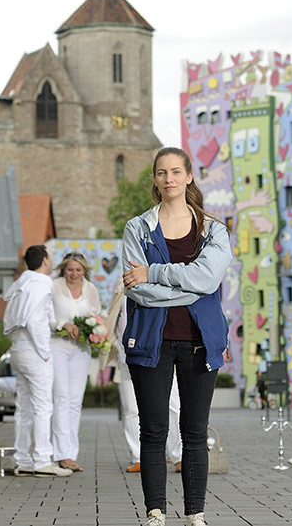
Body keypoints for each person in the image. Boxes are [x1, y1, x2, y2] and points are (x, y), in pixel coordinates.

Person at [122, 147, 233, 526]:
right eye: (161, 173)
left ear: (188, 176)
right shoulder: (137, 228)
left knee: (194, 432)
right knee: (153, 431)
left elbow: (208, 279)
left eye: (175, 172)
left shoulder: (213, 229)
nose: (168, 179)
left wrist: (153, 273)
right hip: (151, 339)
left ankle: (194, 514)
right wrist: (191, 284)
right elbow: (136, 291)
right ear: (154, 179)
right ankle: (155, 513)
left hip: (199, 340)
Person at [3, 245, 73, 478]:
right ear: (44, 260)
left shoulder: (21, 283)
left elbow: (39, 318)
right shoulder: (42, 283)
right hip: (34, 351)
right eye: (50, 256)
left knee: (23, 407)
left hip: (17, 348)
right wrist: (44, 352)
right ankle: (43, 460)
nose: (51, 260)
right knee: (43, 406)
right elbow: (34, 320)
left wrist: (59, 325)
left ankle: (22, 459)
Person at [105, 280, 183, 474]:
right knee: (131, 408)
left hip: (160, 355)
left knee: (173, 405)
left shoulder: (161, 283)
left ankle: (178, 455)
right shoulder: (121, 288)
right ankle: (138, 456)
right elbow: (113, 319)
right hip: (126, 357)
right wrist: (114, 344)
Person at [50, 252, 101, 472]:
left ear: (84, 271)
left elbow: (97, 316)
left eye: (78, 270)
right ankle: (61, 454)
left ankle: (70, 453)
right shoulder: (54, 286)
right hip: (57, 347)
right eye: (70, 269)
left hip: (81, 349)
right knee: (61, 398)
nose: (74, 274)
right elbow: (47, 315)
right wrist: (63, 324)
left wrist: (91, 328)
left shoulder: (91, 289)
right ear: (63, 269)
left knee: (74, 401)